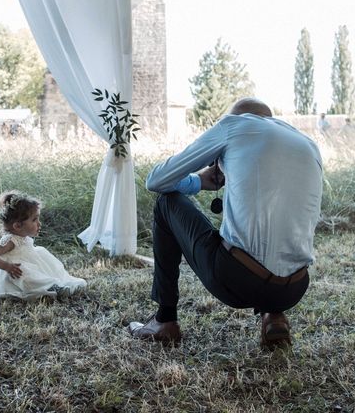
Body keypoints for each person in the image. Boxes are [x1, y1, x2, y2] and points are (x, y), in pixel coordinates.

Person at [128, 98, 323, 349]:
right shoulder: (308, 144)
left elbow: (156, 180)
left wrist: (198, 181)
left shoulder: (233, 125)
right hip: (294, 288)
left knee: (166, 203)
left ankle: (164, 320)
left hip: (237, 280)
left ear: (237, 118)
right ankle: (274, 315)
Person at [0, 190, 86, 301]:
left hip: (27, 264)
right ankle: (51, 287)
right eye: (34, 220)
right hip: (15, 273)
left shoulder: (22, 237)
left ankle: (58, 283)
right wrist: (8, 267)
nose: (39, 223)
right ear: (18, 226)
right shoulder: (10, 240)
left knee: (41, 254)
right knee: (24, 271)